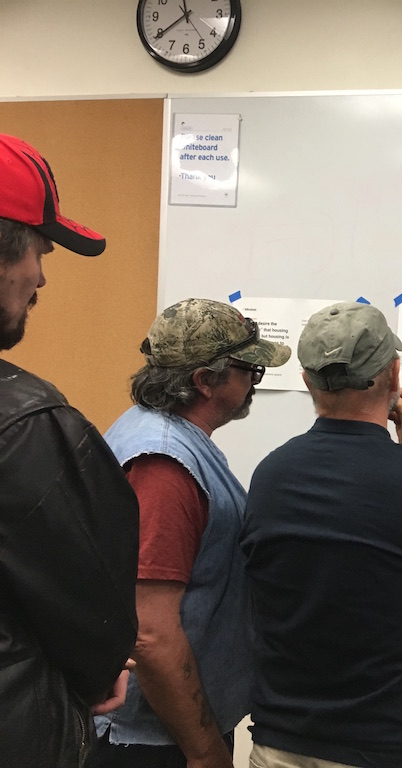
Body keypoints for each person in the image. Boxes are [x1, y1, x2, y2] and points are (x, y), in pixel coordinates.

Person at [240, 301, 402, 768]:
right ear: (394, 375)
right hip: (395, 748)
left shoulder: (271, 475)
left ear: (309, 380)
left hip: (284, 745)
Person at [88, 298, 291, 768]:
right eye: (249, 370)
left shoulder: (163, 433)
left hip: (165, 730)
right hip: (154, 742)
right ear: (205, 381)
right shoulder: (163, 463)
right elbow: (152, 632)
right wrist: (204, 753)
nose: (253, 383)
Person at [0, 133, 140, 767]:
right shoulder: (28, 425)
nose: (42, 276)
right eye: (38, 249)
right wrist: (104, 662)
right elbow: (93, 615)